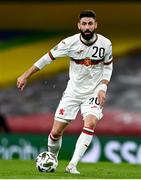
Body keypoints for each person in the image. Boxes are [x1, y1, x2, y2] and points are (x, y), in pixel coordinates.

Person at [17, 10, 113, 174]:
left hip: (94, 93)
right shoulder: (69, 43)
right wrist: (26, 74)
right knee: (55, 132)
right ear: (79, 26)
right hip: (73, 92)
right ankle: (52, 160)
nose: (87, 27)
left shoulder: (106, 44)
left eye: (90, 23)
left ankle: (72, 165)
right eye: (84, 24)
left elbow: (107, 66)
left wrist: (103, 88)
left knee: (90, 123)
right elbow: (47, 58)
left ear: (96, 25)